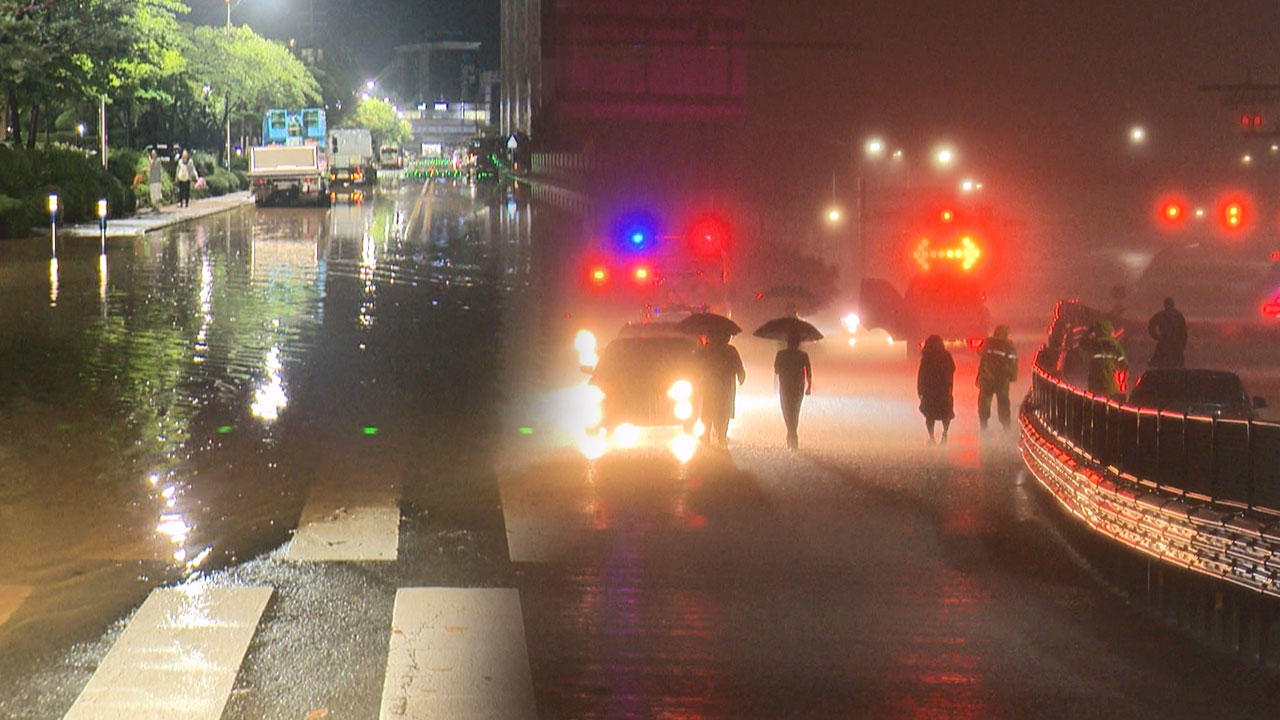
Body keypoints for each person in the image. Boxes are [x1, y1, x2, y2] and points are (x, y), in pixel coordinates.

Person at [699, 332, 745, 449]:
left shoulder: (707, 350)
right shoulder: (731, 350)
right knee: (724, 411)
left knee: (709, 410)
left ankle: (707, 435)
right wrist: (741, 376)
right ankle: (721, 435)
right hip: (726, 386)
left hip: (710, 385)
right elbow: (739, 367)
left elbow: (699, 366)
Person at [773, 333, 813, 450]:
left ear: (788, 343)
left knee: (786, 410)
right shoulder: (803, 355)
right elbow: (809, 372)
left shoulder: (781, 354)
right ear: (798, 344)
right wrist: (809, 386)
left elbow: (776, 370)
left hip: (785, 386)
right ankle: (792, 435)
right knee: (795, 411)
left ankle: (791, 434)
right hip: (798, 387)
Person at [976, 324, 1018, 431]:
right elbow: (1013, 361)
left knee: (984, 402)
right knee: (1003, 402)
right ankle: (1006, 426)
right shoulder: (1009, 346)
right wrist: (1013, 376)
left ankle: (984, 424)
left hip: (987, 377)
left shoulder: (987, 342)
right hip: (1002, 379)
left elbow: (979, 352)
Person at [1081, 318, 1127, 400]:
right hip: (1110, 378)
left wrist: (1089, 332)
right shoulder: (1114, 344)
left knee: (1096, 400)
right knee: (1110, 399)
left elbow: (1083, 343)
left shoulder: (1094, 343)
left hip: (1095, 379)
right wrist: (1123, 367)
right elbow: (1122, 359)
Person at [1147, 297, 1187, 369]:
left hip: (1166, 341)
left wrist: (1156, 336)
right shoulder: (1178, 315)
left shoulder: (1161, 315)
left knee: (1158, 359)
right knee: (1178, 362)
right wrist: (1183, 343)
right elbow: (1184, 331)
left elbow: (1151, 326)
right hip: (1175, 343)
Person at [147, 149, 164, 213]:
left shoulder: (158, 160)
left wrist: (150, 160)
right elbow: (150, 169)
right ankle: (154, 207)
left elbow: (153, 166)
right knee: (152, 195)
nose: (153, 155)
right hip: (152, 180)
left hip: (157, 180)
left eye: (154, 154)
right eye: (152, 154)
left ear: (156, 154)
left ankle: (158, 208)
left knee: (157, 195)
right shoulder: (152, 161)